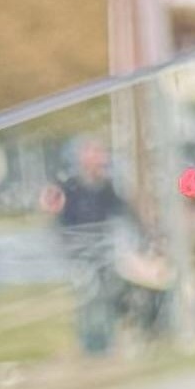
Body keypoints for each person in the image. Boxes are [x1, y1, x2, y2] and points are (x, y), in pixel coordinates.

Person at [44, 134, 136, 353]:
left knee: (109, 293)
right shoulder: (69, 188)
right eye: (93, 153)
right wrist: (69, 249)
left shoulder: (106, 187)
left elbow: (124, 212)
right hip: (80, 253)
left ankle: (106, 341)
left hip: (104, 251)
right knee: (90, 297)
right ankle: (93, 346)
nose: (99, 159)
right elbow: (59, 223)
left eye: (100, 153)